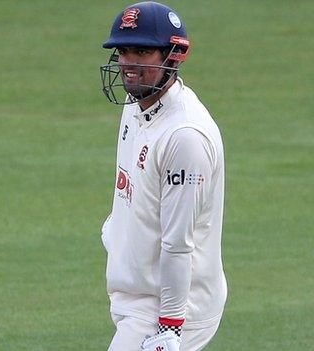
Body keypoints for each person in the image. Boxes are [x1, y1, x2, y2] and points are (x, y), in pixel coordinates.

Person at [98, 2, 227, 350]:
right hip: (136, 294)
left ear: (173, 56)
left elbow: (178, 241)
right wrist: (119, 230)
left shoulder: (185, 137)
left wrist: (170, 326)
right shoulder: (135, 106)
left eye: (142, 51)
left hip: (171, 308)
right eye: (123, 51)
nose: (128, 63)